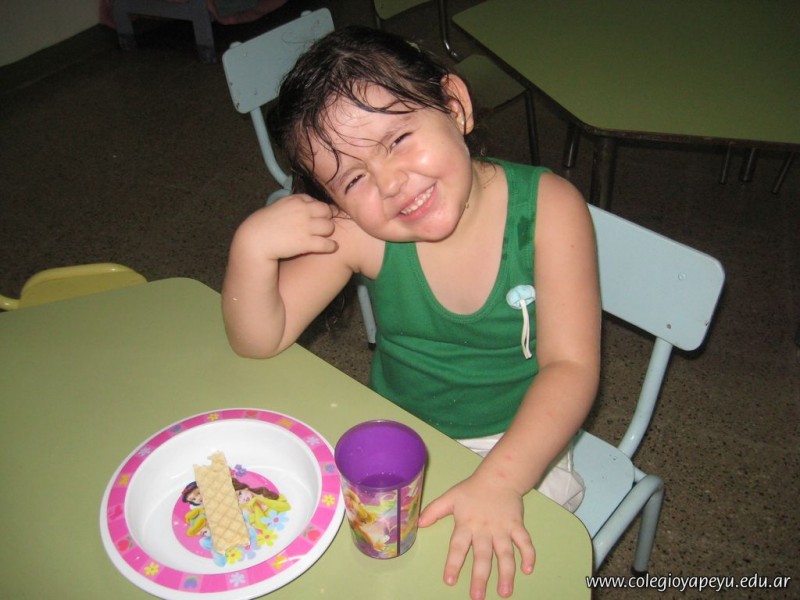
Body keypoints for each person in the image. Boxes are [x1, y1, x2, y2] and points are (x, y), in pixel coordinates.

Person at [222, 26, 600, 600]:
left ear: (455, 105)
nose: (391, 183)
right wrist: (250, 249)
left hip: (518, 444)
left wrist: (500, 481)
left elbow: (571, 368)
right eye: (353, 179)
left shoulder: (548, 210)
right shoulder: (361, 232)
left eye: (396, 139)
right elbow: (258, 339)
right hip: (394, 442)